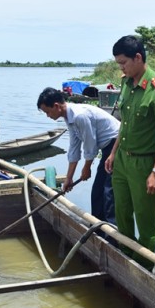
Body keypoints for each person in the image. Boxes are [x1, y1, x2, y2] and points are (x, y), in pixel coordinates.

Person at [104, 35, 155, 271]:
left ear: (138, 57)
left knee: (145, 222)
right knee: (122, 214)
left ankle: (143, 271)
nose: (121, 68)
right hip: (123, 160)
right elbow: (124, 123)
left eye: (123, 63)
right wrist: (113, 153)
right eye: (118, 64)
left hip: (144, 164)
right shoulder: (127, 83)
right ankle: (126, 261)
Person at [37, 87, 120, 237]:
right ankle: (98, 230)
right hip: (106, 147)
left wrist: (86, 168)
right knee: (97, 192)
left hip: (116, 145)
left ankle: (112, 237)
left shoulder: (79, 116)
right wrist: (69, 177)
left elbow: (90, 144)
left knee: (109, 192)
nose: (48, 116)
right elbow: (74, 148)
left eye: (47, 112)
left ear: (56, 106)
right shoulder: (69, 118)